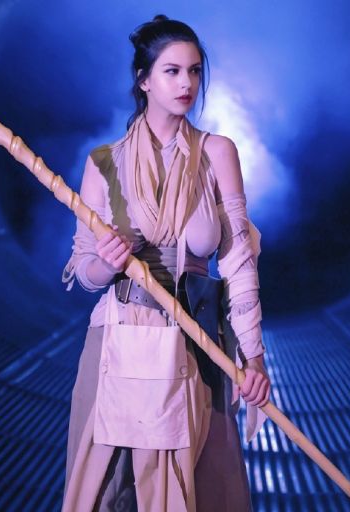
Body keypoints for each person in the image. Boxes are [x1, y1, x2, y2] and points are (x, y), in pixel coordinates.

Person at [61, 14, 271, 512]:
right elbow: (83, 271)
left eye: (194, 71)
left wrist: (254, 358)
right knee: (109, 492)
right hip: (119, 341)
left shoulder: (217, 153)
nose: (186, 84)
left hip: (196, 343)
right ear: (144, 80)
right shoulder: (104, 163)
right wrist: (108, 262)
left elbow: (238, 262)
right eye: (172, 71)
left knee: (202, 489)